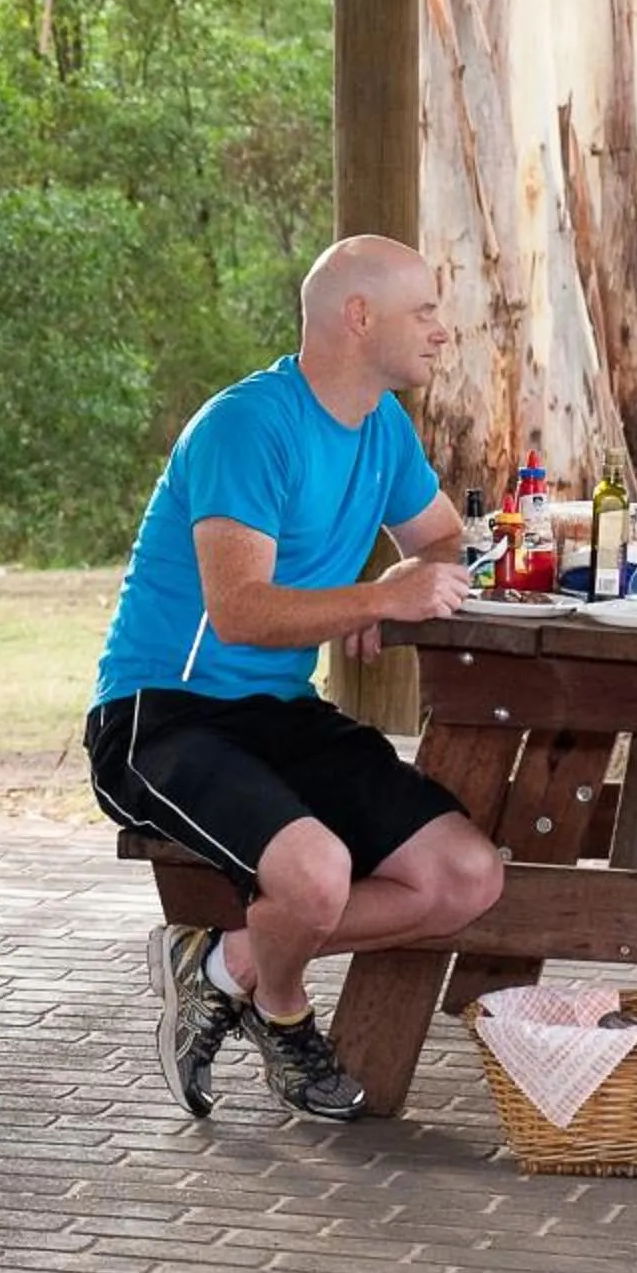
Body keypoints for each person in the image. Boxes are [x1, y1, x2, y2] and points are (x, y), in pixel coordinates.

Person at [87, 236, 504, 1122]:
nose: (440, 329)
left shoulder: (382, 426)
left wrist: (384, 600)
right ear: (359, 317)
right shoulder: (249, 424)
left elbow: (438, 541)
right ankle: (281, 1012)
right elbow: (238, 609)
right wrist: (369, 599)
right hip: (162, 716)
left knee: (465, 879)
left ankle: (220, 965)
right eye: (423, 310)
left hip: (280, 711)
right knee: (315, 875)